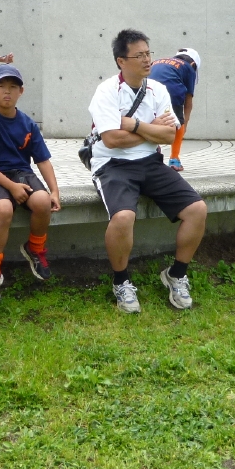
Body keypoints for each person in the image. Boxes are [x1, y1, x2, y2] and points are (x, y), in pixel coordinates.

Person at [88, 29, 208, 313]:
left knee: (197, 210)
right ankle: (121, 281)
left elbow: (169, 135)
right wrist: (152, 130)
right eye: (139, 55)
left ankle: (176, 275)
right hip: (112, 164)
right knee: (123, 217)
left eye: (148, 53)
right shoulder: (106, 91)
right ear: (121, 61)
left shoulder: (158, 90)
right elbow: (111, 140)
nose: (147, 60)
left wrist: (134, 125)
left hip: (151, 163)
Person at [0, 65, 61, 304]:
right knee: (3, 209)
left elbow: (42, 160)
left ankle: (35, 248)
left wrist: (54, 191)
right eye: (1, 86)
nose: (7, 92)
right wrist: (11, 187)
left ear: (21, 91)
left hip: (21, 173)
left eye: (13, 87)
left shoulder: (27, 123)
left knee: (42, 201)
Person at [149, 48, 200, 171]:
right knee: (178, 123)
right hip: (172, 92)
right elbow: (188, 100)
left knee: (150, 121)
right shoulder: (189, 68)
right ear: (193, 64)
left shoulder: (158, 61)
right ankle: (174, 159)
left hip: (148, 91)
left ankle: (152, 153)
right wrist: (185, 123)